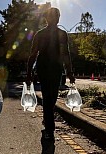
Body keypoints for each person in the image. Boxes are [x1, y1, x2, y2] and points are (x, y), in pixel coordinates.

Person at [26, 7, 75, 141]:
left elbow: (66, 54)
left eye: (57, 16)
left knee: (51, 98)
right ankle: (49, 128)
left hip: (55, 69)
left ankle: (48, 121)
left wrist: (69, 71)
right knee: (48, 97)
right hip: (45, 69)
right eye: (53, 16)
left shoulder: (61, 34)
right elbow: (33, 54)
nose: (55, 19)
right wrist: (29, 73)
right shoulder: (40, 34)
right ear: (47, 19)